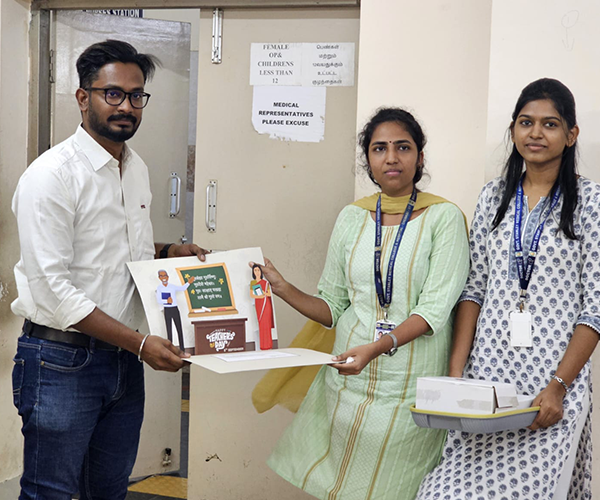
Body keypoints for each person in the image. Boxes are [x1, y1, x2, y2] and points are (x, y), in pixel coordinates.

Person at [11, 40, 208, 500]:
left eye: (136, 96)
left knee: (108, 490)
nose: (126, 107)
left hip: (122, 362)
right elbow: (53, 287)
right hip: (61, 361)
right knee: (49, 492)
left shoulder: (134, 168)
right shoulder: (52, 176)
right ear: (84, 98)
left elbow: (115, 250)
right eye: (113, 94)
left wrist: (168, 250)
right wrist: (139, 344)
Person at [252, 107, 470, 500]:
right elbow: (332, 306)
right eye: (379, 148)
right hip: (349, 379)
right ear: (368, 160)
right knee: (342, 486)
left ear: (420, 157)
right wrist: (283, 288)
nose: (391, 157)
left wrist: (376, 347)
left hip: (411, 383)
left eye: (403, 147)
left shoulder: (445, 218)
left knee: (397, 487)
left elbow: (434, 310)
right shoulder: (352, 218)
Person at [416, 78, 600, 500]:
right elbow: (473, 291)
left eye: (550, 124)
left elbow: (595, 307)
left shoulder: (591, 202)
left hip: (550, 386)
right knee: (444, 492)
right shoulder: (493, 197)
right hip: (488, 380)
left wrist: (558, 387)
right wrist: (457, 374)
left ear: (571, 134)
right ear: (514, 129)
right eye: (526, 122)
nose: (536, 133)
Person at [156, 269, 194, 351]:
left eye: (165, 276)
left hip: (174, 309)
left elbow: (182, 288)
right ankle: (170, 349)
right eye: (161, 276)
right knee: (169, 329)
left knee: (179, 328)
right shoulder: (159, 288)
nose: (163, 278)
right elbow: (159, 300)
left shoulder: (172, 286)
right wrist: (166, 301)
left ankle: (182, 349)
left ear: (168, 277)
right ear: (159, 277)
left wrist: (188, 283)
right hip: (167, 309)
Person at [250, 263, 274, 350]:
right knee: (261, 324)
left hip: (265, 304)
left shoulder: (265, 283)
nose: (257, 272)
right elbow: (252, 294)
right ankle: (263, 345)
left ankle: (268, 344)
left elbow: (269, 294)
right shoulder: (253, 283)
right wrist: (258, 295)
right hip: (258, 303)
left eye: (258, 270)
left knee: (266, 323)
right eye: (255, 270)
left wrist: (263, 293)